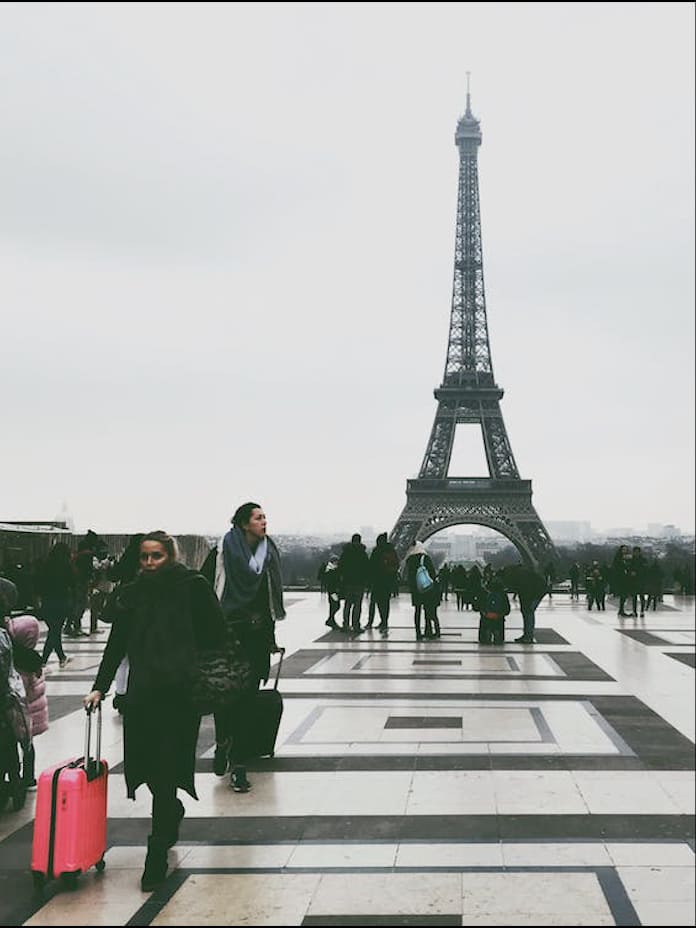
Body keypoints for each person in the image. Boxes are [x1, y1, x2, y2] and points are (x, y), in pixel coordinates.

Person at [83, 530, 225, 892]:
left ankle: (156, 850)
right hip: (144, 695)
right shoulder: (135, 592)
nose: (149, 563)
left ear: (171, 556)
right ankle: (170, 812)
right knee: (150, 767)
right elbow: (117, 644)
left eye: (156, 556)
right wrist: (100, 685)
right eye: (144, 557)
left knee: (165, 769)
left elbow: (216, 635)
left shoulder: (192, 587)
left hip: (180, 695)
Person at [211, 502, 285, 792]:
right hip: (227, 635)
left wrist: (270, 637)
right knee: (225, 699)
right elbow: (210, 590)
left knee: (246, 701)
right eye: (258, 518)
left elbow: (268, 600)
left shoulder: (269, 553)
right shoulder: (223, 550)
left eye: (265, 516)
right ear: (244, 523)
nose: (264, 521)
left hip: (255, 637)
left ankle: (239, 763)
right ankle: (222, 742)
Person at [4, 612, 48, 789]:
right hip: (32, 712)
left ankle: (21, 777)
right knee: (28, 746)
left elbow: (17, 690)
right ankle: (29, 776)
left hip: (20, 712)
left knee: (16, 743)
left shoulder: (20, 664)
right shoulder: (33, 659)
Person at [37, 542, 75, 668]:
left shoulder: (45, 565)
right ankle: (43, 661)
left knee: (54, 631)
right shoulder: (67, 566)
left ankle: (61, 657)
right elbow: (72, 583)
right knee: (55, 631)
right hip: (61, 602)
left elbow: (38, 582)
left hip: (47, 602)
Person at [404, 541, 440, 640]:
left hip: (416, 589)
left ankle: (418, 632)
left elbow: (409, 576)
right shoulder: (425, 558)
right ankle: (428, 630)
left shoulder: (409, 559)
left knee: (417, 611)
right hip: (426, 588)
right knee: (427, 610)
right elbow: (432, 573)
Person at [366, 533, 400, 634]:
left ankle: (370, 622)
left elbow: (371, 565)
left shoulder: (377, 551)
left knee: (373, 602)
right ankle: (384, 622)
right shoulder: (391, 551)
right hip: (387, 581)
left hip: (377, 581)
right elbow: (396, 565)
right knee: (384, 603)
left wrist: (369, 579)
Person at [337, 534, 370, 635]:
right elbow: (366, 568)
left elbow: (340, 567)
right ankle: (356, 625)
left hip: (348, 582)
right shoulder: (362, 553)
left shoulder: (346, 553)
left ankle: (345, 624)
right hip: (359, 582)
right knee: (357, 605)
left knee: (348, 604)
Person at [506, 564, 546, 643]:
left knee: (529, 613)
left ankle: (528, 636)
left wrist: (525, 605)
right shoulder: (521, 574)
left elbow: (525, 591)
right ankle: (527, 635)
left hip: (536, 593)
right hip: (536, 591)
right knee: (527, 613)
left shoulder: (520, 577)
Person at [323, 554, 342, 629]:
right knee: (336, 605)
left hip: (331, 590)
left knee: (334, 605)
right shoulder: (332, 569)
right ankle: (330, 619)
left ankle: (331, 619)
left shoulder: (329, 568)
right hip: (333, 591)